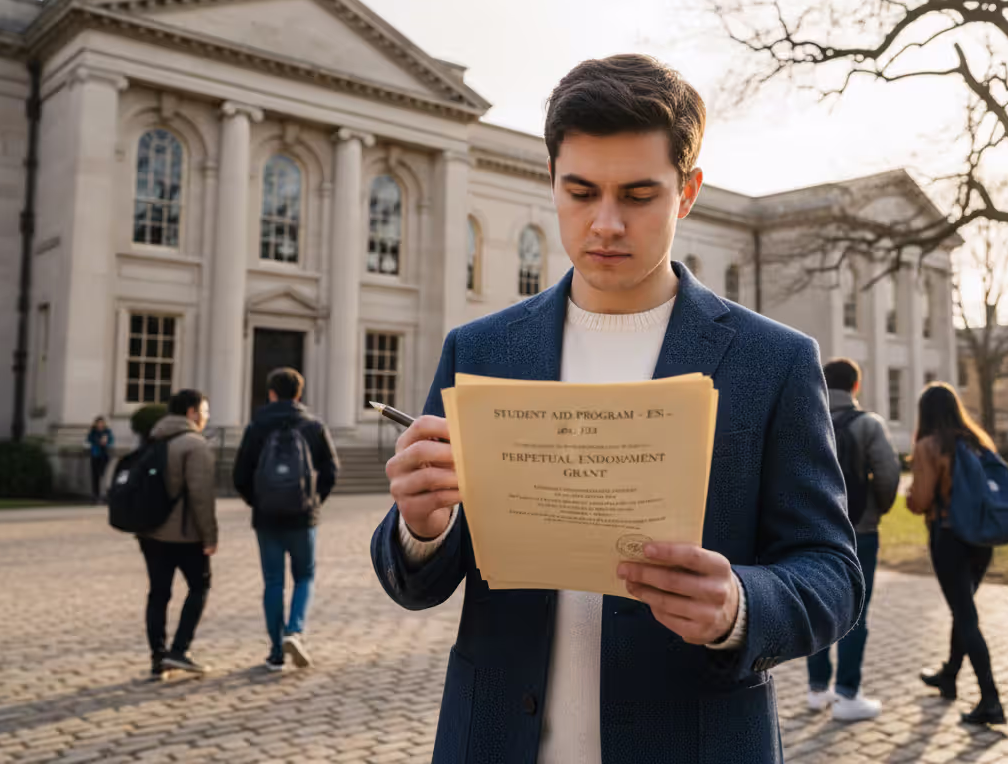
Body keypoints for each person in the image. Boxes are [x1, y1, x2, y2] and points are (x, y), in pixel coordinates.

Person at [370, 54, 864, 763]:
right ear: (552, 183)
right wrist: (422, 525)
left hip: (695, 740)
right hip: (495, 740)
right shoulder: (479, 350)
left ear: (686, 193)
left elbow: (832, 571)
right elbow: (417, 583)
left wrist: (739, 606)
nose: (605, 223)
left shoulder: (773, 361)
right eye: (580, 192)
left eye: (638, 195)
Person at [907, 382, 1006, 726]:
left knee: (966, 616)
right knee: (962, 609)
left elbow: (920, 500)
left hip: (949, 538)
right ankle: (949, 674)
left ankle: (990, 699)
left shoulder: (929, 445)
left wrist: (909, 496)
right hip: (982, 538)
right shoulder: (978, 441)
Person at [806, 358, 901, 721]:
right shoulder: (868, 425)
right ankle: (848, 694)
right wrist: (875, 511)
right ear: (856, 387)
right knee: (855, 611)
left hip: (813, 529)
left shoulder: (808, 418)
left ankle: (817, 690)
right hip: (860, 530)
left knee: (815, 605)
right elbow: (889, 475)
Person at [234, 367, 339, 672]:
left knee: (273, 582)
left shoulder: (256, 427)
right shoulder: (313, 425)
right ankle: (295, 629)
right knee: (304, 576)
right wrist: (314, 500)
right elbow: (332, 470)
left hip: (267, 518)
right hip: (303, 516)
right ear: (298, 394)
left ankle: (276, 652)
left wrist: (258, 502)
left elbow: (239, 475)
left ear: (271, 393)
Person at [139, 389, 217, 679]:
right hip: (185, 535)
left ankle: (158, 659)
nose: (207, 418)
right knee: (200, 587)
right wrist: (210, 536)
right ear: (191, 413)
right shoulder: (194, 445)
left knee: (158, 594)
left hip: (149, 532)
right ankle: (179, 650)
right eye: (205, 412)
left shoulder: (153, 437)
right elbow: (201, 496)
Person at [85, 416, 114, 503]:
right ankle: (95, 495)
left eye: (101, 423)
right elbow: (88, 441)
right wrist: (98, 442)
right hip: (95, 455)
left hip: (104, 456)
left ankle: (103, 495)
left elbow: (111, 442)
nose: (100, 425)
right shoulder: (93, 432)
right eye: (98, 423)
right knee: (95, 475)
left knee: (103, 475)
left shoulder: (107, 432)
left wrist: (106, 443)